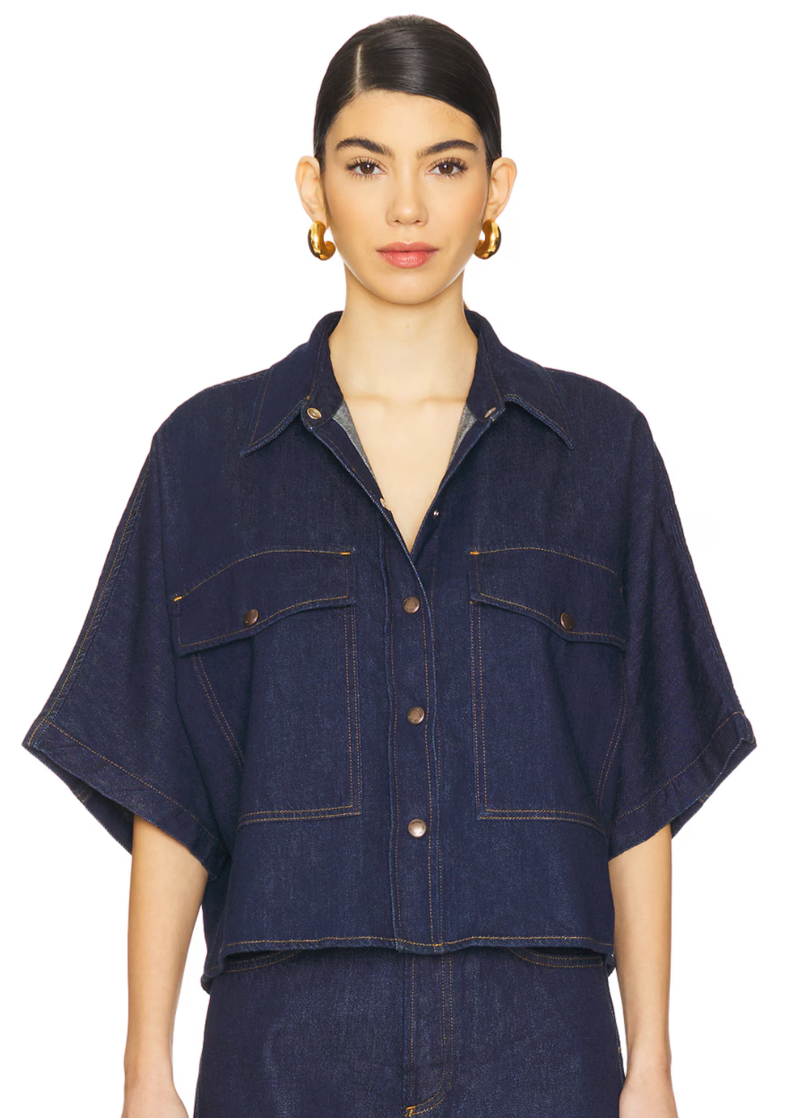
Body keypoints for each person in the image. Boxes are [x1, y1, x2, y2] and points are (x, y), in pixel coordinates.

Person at [21, 14, 757, 1118]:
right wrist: (145, 1073)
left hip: (538, 1050)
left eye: (445, 166)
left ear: (496, 188)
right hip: (285, 1051)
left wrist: (650, 1065)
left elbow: (640, 779)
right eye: (366, 166)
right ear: (314, 189)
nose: (406, 208)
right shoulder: (208, 457)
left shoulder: (599, 453)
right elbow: (168, 788)